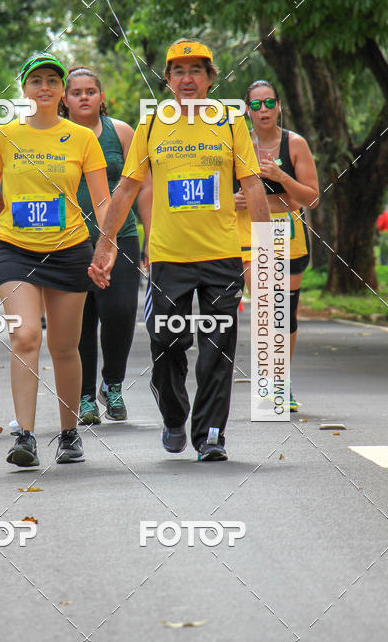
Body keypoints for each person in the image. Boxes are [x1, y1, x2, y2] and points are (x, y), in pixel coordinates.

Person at [89, 37, 271, 462]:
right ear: (168, 79)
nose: (187, 79)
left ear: (210, 79)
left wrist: (263, 252)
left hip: (221, 256)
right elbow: (129, 185)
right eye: (178, 71)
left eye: (196, 71)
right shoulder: (153, 124)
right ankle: (174, 416)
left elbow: (252, 184)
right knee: (167, 344)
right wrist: (106, 242)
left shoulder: (230, 123)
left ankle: (210, 434)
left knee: (218, 349)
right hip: (168, 258)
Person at [0, 52, 111, 467]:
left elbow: (103, 200)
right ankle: (26, 436)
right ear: (24, 88)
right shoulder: (3, 136)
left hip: (71, 249)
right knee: (25, 337)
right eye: (37, 81)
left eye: (53, 81)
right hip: (16, 250)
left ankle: (70, 433)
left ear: (62, 92)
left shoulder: (82, 138)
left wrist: (108, 245)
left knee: (64, 346)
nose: (45, 88)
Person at [62, 66, 152, 424]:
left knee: (119, 312)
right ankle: (84, 397)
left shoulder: (122, 133)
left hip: (121, 237)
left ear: (102, 98)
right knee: (80, 319)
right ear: (65, 101)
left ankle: (112, 385)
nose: (83, 97)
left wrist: (150, 235)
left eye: (90, 91)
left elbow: (143, 186)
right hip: (70, 241)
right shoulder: (56, 135)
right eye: (76, 92)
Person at [235, 79, 319, 412]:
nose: (263, 110)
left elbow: (310, 198)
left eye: (269, 103)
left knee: (285, 312)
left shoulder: (294, 144)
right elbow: (224, 192)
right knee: (266, 307)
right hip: (250, 234)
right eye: (256, 105)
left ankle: (281, 380)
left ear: (279, 106)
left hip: (289, 234)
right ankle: (268, 379)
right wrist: (235, 199)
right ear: (247, 110)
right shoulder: (238, 143)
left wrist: (282, 178)